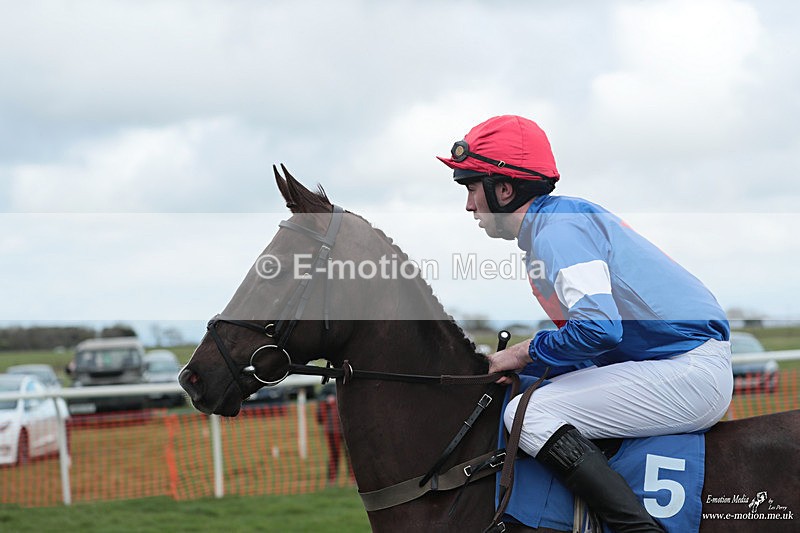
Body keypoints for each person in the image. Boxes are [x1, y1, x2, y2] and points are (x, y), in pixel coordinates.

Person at [438, 115, 732, 533]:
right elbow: (595, 340)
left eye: (471, 187)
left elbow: (599, 330)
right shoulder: (558, 221)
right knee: (535, 392)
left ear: (503, 189)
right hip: (676, 363)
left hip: (687, 370)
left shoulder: (556, 230)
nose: (469, 205)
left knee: (528, 412)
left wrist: (520, 354)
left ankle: (636, 528)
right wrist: (529, 366)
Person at [316, 383, 349, 485]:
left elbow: (319, 418)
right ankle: (333, 480)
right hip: (339, 429)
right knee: (348, 456)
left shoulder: (325, 398)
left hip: (335, 429)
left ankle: (332, 480)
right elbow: (320, 417)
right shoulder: (328, 398)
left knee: (337, 456)